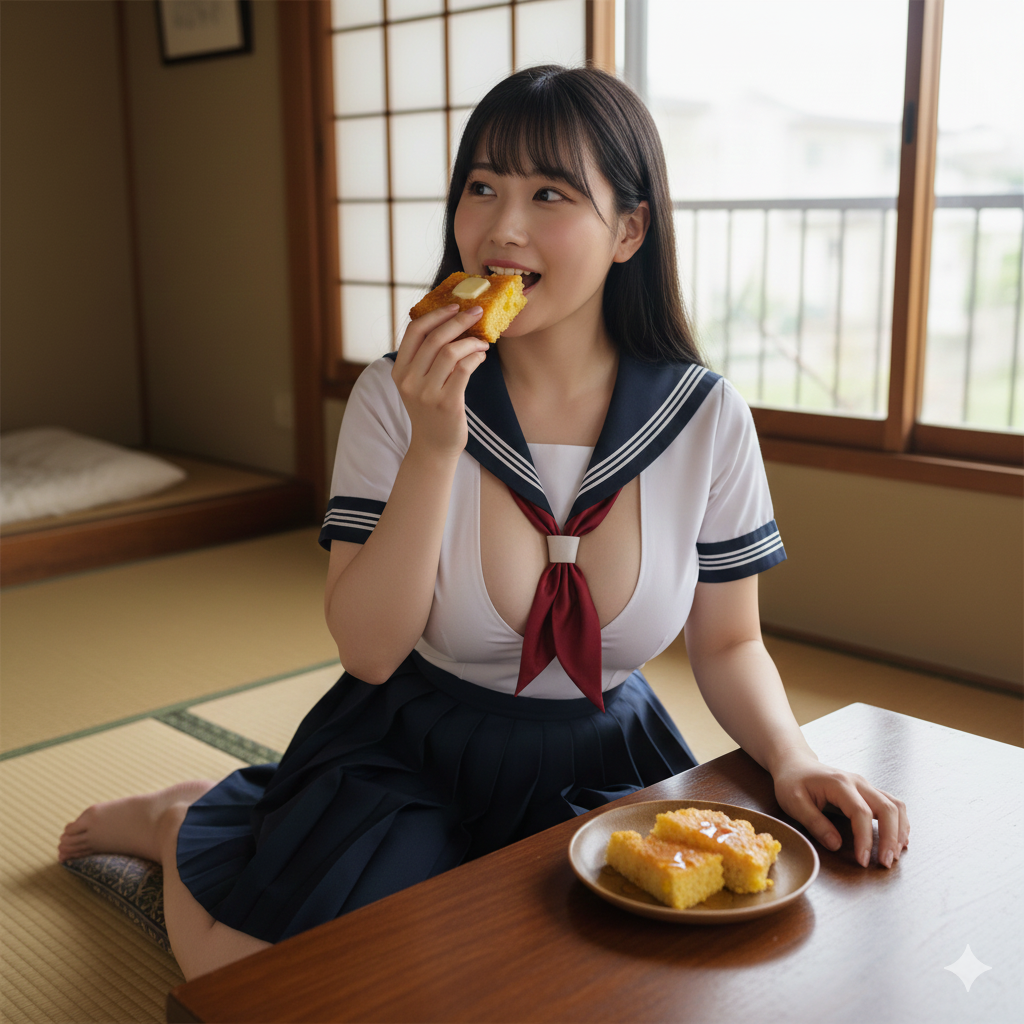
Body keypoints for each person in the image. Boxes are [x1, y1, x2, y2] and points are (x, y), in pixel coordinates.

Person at [58, 65, 909, 980]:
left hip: (602, 751)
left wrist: (790, 758)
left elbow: (730, 645)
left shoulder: (705, 419)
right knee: (273, 980)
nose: (501, 227)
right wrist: (434, 445)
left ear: (629, 229)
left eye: (549, 192)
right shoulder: (396, 395)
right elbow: (371, 651)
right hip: (407, 745)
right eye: (482, 186)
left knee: (617, 975)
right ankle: (186, 817)